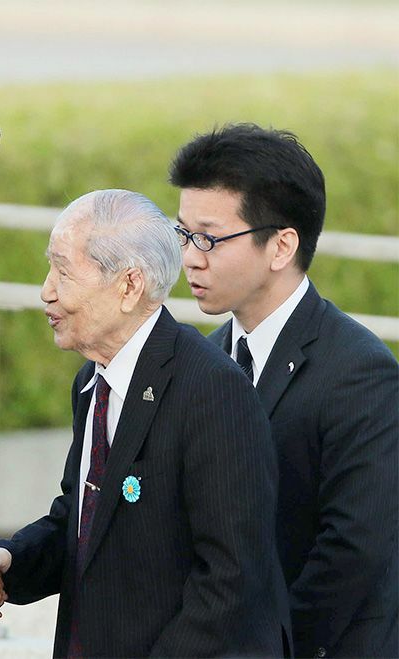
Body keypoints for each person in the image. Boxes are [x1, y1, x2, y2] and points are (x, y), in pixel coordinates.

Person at [0, 189, 290, 657]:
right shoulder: (93, 381)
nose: (46, 290)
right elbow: (84, 520)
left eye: (63, 271)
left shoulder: (212, 390)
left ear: (129, 287)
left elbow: (232, 578)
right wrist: (9, 560)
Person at [169, 123, 399, 658]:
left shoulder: (360, 372)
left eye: (208, 238)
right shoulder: (203, 358)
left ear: (281, 246)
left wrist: (264, 647)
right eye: (181, 234)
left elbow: (354, 550)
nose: (190, 258)